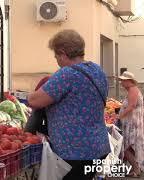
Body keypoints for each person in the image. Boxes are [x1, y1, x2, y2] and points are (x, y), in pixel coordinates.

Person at [27, 29, 110, 180]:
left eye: (56, 56)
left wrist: (28, 94)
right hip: (99, 146)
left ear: (63, 53)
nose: (57, 61)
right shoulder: (98, 70)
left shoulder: (67, 74)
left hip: (74, 152)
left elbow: (34, 101)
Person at [118, 71, 144, 177]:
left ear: (129, 81)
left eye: (123, 81)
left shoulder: (133, 90)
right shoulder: (132, 90)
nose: (121, 83)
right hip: (132, 122)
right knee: (130, 147)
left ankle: (136, 169)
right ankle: (136, 169)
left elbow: (131, 106)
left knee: (127, 147)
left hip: (133, 123)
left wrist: (119, 116)